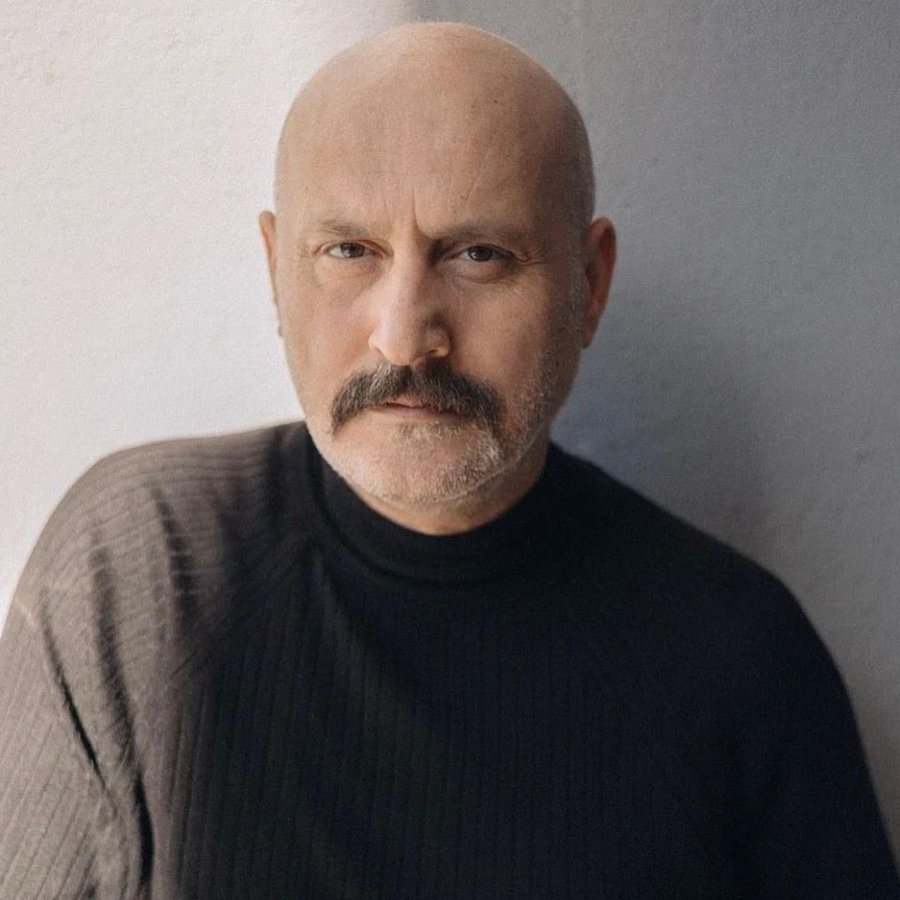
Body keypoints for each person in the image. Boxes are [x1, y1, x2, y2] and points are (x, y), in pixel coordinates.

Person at [0, 21, 896, 900]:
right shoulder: (140, 573)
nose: (403, 338)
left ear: (588, 286)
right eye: (348, 251)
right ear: (276, 270)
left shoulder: (740, 655)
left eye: (478, 255)